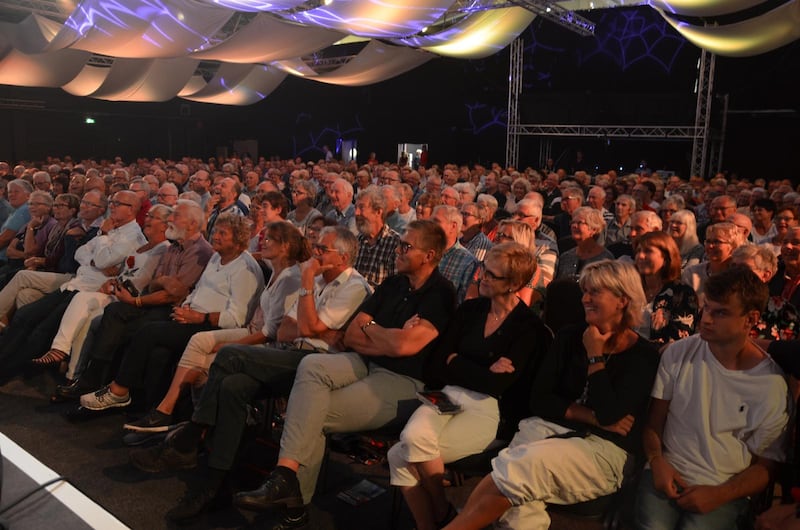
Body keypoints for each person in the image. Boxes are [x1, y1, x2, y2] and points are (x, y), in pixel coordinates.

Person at [128, 225, 372, 521]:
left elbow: (305, 329)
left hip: (320, 364)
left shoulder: (353, 286)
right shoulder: (318, 281)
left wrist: (308, 289)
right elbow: (286, 328)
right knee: (232, 386)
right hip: (293, 353)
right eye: (316, 247)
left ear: (343, 258)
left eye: (323, 250)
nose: (315, 254)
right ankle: (215, 484)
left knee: (229, 354)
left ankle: (190, 436)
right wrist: (319, 326)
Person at [232, 220, 456, 528]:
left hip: (404, 382)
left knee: (311, 414)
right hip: (364, 362)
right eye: (399, 244)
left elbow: (405, 347)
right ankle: (285, 479)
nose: (398, 250)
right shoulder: (393, 283)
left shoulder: (441, 293)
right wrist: (384, 337)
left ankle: (293, 504)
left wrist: (374, 332)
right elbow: (352, 335)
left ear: (429, 255)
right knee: (311, 365)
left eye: (406, 246)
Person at [442, 260, 660, 530]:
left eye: (594, 292)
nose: (585, 299)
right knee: (519, 500)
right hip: (548, 429)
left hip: (604, 451)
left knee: (516, 466)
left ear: (622, 301)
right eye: (584, 291)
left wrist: (595, 356)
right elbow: (540, 400)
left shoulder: (643, 356)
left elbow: (610, 414)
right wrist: (589, 416)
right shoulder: (569, 336)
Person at [388, 242, 546, 530]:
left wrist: (457, 361)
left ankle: (435, 522)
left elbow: (499, 385)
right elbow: (436, 365)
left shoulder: (528, 327)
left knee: (398, 455)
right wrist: (480, 369)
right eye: (483, 271)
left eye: (491, 275)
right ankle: (443, 512)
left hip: (489, 409)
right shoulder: (470, 310)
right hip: (445, 396)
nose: (481, 278)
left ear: (514, 284)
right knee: (412, 440)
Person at [634, 265, 790, 530]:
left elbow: (766, 466)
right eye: (706, 308)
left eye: (720, 313)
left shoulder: (771, 385)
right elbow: (654, 423)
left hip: (724, 485)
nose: (705, 319)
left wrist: (721, 494)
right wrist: (657, 461)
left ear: (750, 319)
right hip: (667, 469)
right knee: (652, 525)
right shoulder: (679, 353)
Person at [123, 221, 312, 431]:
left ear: (284, 246)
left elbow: (271, 332)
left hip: (266, 344)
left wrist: (229, 346)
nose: (262, 242)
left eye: (268, 239)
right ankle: (171, 414)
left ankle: (177, 419)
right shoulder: (276, 267)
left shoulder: (290, 278)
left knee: (193, 352)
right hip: (251, 331)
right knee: (185, 343)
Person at [78, 213, 264, 412]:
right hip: (189, 315)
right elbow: (198, 290)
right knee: (158, 351)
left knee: (148, 332)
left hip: (211, 326)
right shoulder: (218, 257)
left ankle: (119, 390)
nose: (215, 236)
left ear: (238, 240)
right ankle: (145, 408)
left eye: (223, 233)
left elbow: (237, 318)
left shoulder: (245, 269)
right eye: (216, 231)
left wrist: (200, 317)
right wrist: (186, 307)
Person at [52, 199, 214, 401]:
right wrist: (162, 282)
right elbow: (157, 283)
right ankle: (90, 379)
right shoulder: (174, 247)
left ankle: (107, 386)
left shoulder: (200, 251)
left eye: (176, 216)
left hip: (172, 310)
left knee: (122, 321)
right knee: (113, 312)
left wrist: (137, 301)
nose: (170, 220)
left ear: (191, 224)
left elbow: (174, 294)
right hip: (155, 301)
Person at [31, 204, 172, 370]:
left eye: (153, 217)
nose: (147, 219)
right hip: (116, 291)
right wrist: (113, 279)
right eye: (147, 215)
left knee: (85, 309)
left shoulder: (164, 249)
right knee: (83, 306)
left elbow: (145, 281)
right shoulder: (145, 245)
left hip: (131, 300)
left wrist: (118, 286)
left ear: (165, 225)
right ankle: (65, 360)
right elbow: (123, 270)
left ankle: (67, 364)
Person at [634, 232, 698, 344]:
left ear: (666, 258)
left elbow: (680, 339)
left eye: (648, 251)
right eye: (638, 251)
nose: (640, 256)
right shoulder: (629, 288)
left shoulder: (681, 293)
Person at [682, 222, 743, 308]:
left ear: (733, 246)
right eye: (708, 241)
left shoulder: (740, 275)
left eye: (717, 242)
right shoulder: (692, 273)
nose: (710, 246)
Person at [431, 204, 478, 304]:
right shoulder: (424, 249)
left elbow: (461, 302)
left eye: (436, 221)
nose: (431, 225)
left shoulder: (467, 261)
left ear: (453, 226)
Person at [556, 207, 614, 281]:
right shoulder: (565, 257)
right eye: (572, 222)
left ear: (594, 229)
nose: (574, 226)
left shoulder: (605, 259)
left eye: (579, 223)